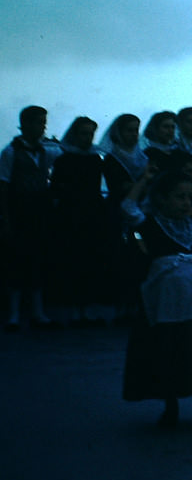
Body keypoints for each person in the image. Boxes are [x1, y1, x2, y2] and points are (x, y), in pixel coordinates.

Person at [121, 166, 192, 427]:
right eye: (179, 197)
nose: (185, 203)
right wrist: (145, 180)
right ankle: (170, 405)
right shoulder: (150, 224)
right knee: (167, 348)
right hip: (165, 298)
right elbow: (127, 208)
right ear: (161, 198)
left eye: (188, 197)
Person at [1, 106, 63, 331]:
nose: (42, 126)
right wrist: (5, 219)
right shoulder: (10, 152)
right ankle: (15, 314)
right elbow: (4, 186)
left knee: (38, 259)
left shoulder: (46, 150)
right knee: (17, 261)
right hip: (20, 210)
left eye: (43, 122)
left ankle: (38, 313)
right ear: (25, 123)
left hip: (39, 210)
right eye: (38, 122)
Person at [50, 116, 108, 326]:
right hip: (71, 215)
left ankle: (88, 311)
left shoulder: (95, 159)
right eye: (84, 133)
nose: (88, 138)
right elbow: (56, 188)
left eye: (91, 133)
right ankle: (74, 311)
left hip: (92, 214)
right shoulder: (64, 159)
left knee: (90, 262)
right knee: (73, 262)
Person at [99, 114, 148, 324]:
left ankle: (136, 306)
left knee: (140, 258)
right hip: (118, 212)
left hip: (140, 210)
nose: (133, 135)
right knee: (121, 258)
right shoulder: (112, 158)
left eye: (136, 130)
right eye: (129, 130)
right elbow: (119, 186)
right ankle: (121, 308)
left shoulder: (143, 157)